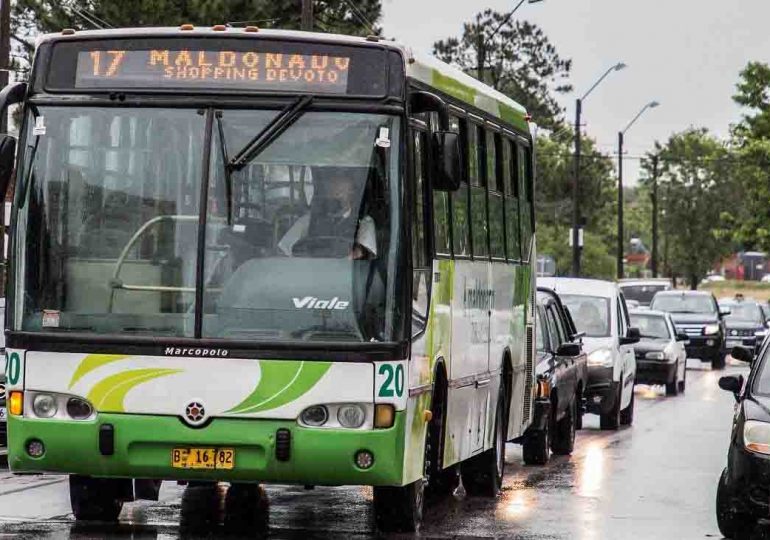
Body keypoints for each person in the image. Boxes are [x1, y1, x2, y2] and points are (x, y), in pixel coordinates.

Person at [278, 168, 377, 259]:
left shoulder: (364, 223)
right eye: (333, 189)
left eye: (341, 191)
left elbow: (367, 257)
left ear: (353, 192)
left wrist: (356, 252)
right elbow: (284, 250)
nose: (336, 194)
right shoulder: (310, 219)